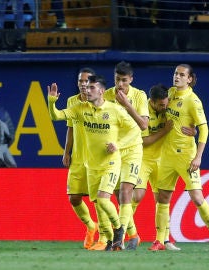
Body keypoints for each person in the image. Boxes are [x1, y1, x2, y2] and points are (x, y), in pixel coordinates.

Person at [48, 75, 139, 251]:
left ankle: (120, 229)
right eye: (86, 87)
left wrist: (118, 145)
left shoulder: (115, 110)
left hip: (111, 164)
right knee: (98, 204)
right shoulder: (80, 108)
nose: (87, 90)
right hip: (91, 166)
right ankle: (110, 239)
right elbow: (56, 116)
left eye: (91, 88)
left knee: (104, 200)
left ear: (102, 91)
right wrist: (52, 102)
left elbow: (135, 129)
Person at [149, 64, 209, 250]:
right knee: (162, 197)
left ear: (189, 79)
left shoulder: (193, 101)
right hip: (166, 155)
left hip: (186, 157)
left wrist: (198, 157)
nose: (176, 77)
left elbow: (204, 129)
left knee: (196, 197)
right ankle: (159, 240)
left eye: (181, 75)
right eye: (175, 73)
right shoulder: (169, 93)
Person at [132, 83, 195, 251]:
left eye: (165, 104)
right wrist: (165, 131)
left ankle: (164, 240)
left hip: (163, 160)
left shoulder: (167, 106)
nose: (164, 108)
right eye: (161, 105)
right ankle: (125, 234)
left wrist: (193, 131)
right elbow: (144, 141)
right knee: (136, 196)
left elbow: (183, 121)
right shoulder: (142, 110)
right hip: (144, 159)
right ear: (152, 102)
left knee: (162, 200)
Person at [103, 61, 148, 250]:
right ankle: (134, 235)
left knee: (126, 191)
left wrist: (127, 104)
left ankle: (118, 239)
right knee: (117, 195)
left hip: (133, 149)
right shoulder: (106, 95)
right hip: (114, 150)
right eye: (117, 79)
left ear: (131, 79)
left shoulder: (139, 96)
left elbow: (143, 125)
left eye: (124, 80)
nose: (120, 84)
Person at [61, 67, 102, 250]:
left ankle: (105, 236)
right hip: (78, 158)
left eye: (86, 81)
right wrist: (66, 151)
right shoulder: (72, 101)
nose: (83, 84)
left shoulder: (101, 101)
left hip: (97, 158)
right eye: (80, 81)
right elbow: (70, 128)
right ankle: (91, 225)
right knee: (74, 198)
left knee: (99, 199)